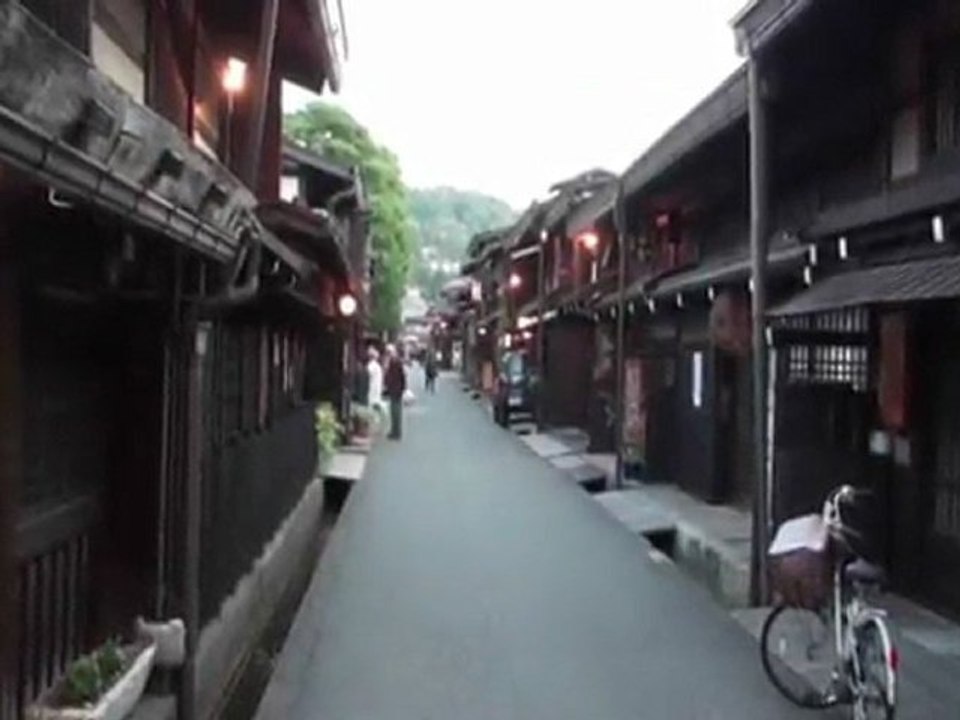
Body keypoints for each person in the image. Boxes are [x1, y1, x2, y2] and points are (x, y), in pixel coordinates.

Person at [383, 344, 407, 440]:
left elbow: (392, 376)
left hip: (395, 389)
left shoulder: (394, 362)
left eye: (388, 352)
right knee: (396, 410)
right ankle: (396, 431)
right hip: (397, 389)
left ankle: (395, 431)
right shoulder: (396, 361)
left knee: (395, 410)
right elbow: (403, 376)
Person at [365, 346, 385, 426]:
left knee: (372, 404)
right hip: (376, 387)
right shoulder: (377, 365)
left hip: (372, 387)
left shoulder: (371, 366)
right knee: (375, 403)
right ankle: (377, 419)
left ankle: (374, 420)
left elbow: (367, 376)